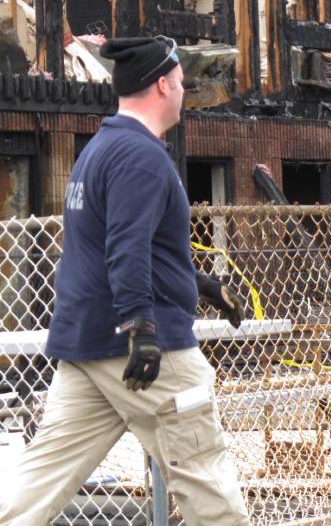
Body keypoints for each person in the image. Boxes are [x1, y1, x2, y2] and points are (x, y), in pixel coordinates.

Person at [0, 36, 252, 526]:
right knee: (205, 477)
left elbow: (110, 246)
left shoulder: (101, 149)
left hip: (87, 348)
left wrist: (199, 282)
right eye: (181, 83)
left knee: (38, 485)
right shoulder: (142, 157)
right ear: (162, 84)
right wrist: (142, 328)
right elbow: (126, 249)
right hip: (145, 353)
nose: (184, 92)